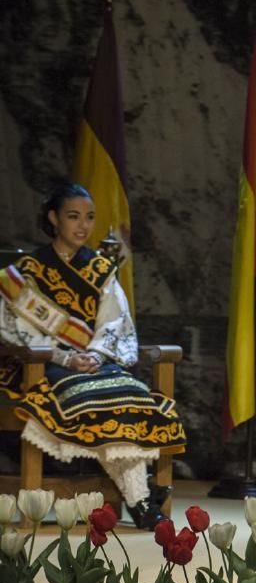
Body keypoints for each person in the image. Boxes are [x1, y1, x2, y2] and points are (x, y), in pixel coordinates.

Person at [0, 184, 186, 530]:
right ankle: (142, 500)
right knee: (95, 399)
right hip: (44, 366)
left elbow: (113, 321)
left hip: (95, 362)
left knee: (132, 397)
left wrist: (98, 355)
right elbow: (14, 329)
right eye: (73, 217)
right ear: (54, 218)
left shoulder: (101, 268)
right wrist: (65, 358)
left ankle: (140, 500)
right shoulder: (27, 271)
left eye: (89, 218)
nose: (82, 226)